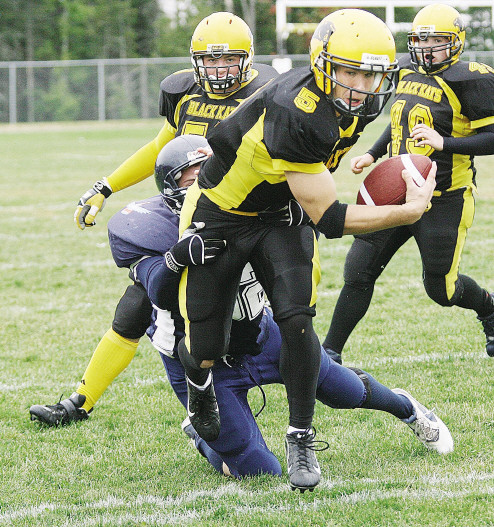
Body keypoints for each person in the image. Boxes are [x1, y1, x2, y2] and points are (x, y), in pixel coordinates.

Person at [30, 135, 453, 486]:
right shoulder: (145, 226)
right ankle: (202, 432)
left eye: (209, 172)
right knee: (257, 471)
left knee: (344, 391)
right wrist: (178, 257)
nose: (204, 182)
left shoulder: (257, 206)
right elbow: (155, 291)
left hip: (260, 333)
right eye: (192, 176)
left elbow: (326, 221)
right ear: (170, 185)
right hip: (196, 357)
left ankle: (410, 410)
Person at [174, 8, 437, 492]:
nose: (361, 86)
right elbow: (331, 219)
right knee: (207, 342)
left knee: (297, 319)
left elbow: (312, 196)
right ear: (323, 65)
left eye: (371, 75)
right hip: (225, 209)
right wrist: (406, 212)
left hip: (281, 210)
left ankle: (300, 435)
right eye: (351, 72)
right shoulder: (302, 112)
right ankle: (200, 387)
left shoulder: (346, 106)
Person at [34, 13, 278, 422]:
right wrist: (106, 185)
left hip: (245, 220)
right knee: (136, 304)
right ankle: (81, 401)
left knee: (267, 311)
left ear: (248, 59)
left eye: (228, 60)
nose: (219, 70)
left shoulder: (265, 95)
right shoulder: (184, 94)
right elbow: (159, 149)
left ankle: (311, 375)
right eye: (210, 61)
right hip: (189, 218)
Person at [322, 3, 494, 365]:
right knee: (358, 271)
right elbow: (400, 120)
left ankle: (489, 309)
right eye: (421, 40)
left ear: (456, 42)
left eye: (437, 41)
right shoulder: (407, 71)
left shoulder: (471, 79)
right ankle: (329, 354)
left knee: (442, 290)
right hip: (398, 193)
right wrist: (373, 152)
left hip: (444, 197)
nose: (427, 48)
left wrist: (446, 143)